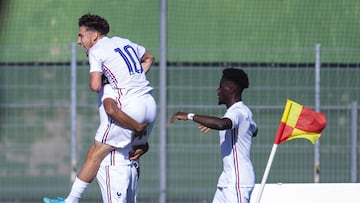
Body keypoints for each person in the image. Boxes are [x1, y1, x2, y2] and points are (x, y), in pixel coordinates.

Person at [43, 13, 157, 203]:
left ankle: (70, 201)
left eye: (81, 36)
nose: (79, 41)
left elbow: (95, 85)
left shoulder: (97, 50)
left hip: (130, 106)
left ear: (94, 36)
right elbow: (149, 57)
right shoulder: (123, 41)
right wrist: (133, 78)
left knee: (95, 153)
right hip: (150, 103)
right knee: (132, 150)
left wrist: (106, 80)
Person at [169, 68, 258, 203]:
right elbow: (254, 130)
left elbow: (222, 124)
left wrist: (190, 116)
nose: (218, 91)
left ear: (231, 89)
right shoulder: (243, 111)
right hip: (227, 181)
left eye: (221, 87)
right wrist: (217, 125)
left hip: (237, 182)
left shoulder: (238, 111)